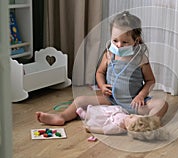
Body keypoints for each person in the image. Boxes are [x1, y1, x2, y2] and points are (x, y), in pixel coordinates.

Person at [36, 11, 168, 126]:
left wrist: (140, 96)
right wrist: (102, 86)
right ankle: (62, 117)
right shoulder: (109, 54)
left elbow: (150, 81)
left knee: (162, 104)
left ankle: (148, 122)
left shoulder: (140, 58)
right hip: (111, 101)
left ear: (136, 40)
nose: (119, 45)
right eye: (115, 40)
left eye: (125, 42)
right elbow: (100, 72)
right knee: (80, 100)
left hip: (134, 102)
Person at [76, 105, 169, 141]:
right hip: (110, 112)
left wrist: (90, 129)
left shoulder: (117, 128)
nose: (131, 115)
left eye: (131, 117)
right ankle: (88, 113)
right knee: (99, 109)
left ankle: (85, 115)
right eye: (133, 115)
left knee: (95, 116)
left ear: (129, 129)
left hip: (103, 119)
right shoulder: (127, 117)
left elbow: (104, 130)